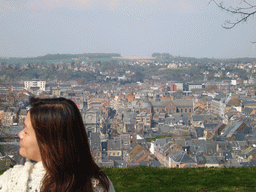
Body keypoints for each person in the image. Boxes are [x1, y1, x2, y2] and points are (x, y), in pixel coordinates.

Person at [0, 97, 115, 192]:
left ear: (47, 141)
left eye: (26, 130)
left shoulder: (11, 181)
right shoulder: (100, 184)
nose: (20, 134)